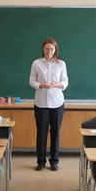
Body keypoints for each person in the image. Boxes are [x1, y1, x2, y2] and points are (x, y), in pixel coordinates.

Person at [29, 37, 68, 171]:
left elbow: (65, 82)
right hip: (41, 104)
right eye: (46, 49)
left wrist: (57, 85)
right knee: (41, 133)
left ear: (55, 50)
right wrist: (42, 85)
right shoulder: (36, 63)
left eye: (51, 49)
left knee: (55, 133)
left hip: (57, 103)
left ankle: (54, 162)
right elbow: (31, 81)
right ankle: (40, 162)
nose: (49, 51)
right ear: (43, 49)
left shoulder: (61, 64)